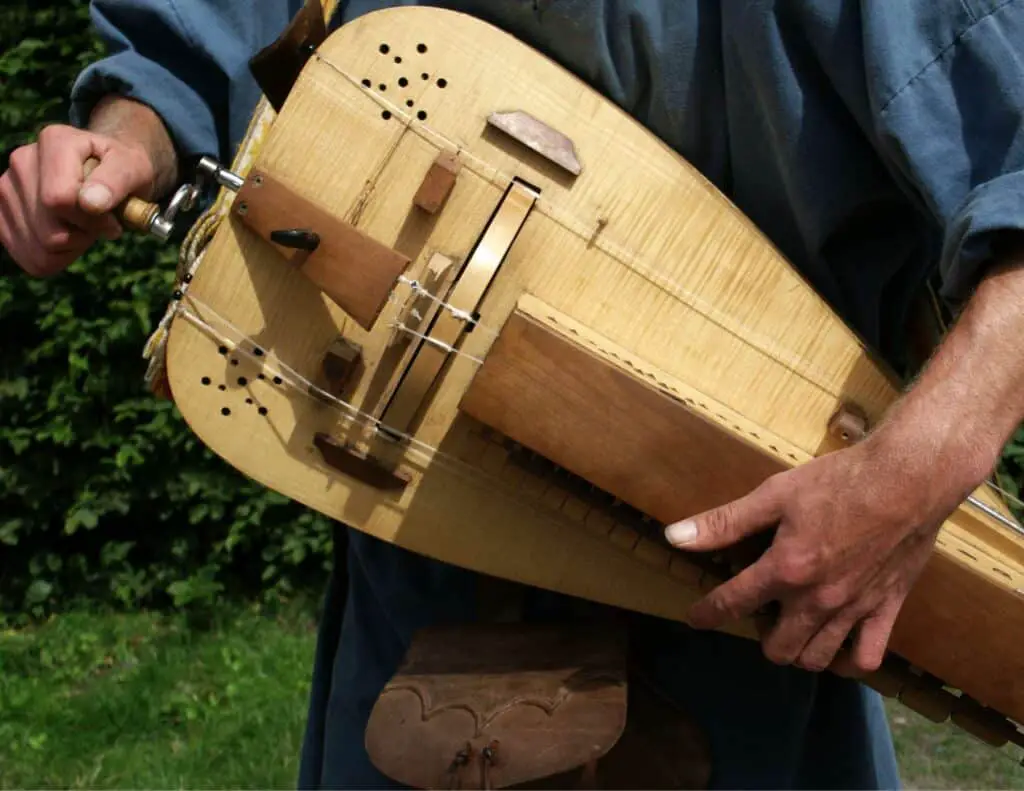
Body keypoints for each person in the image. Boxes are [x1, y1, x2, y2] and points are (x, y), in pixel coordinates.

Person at [4, 0, 1024, 787]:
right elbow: (199, 32)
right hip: (423, 556)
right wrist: (135, 128)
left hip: (760, 599)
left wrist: (915, 467)